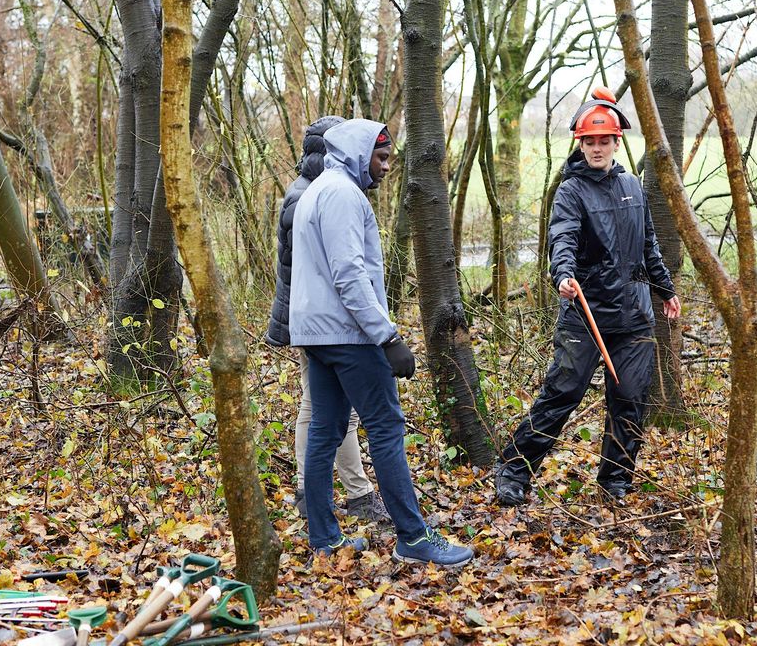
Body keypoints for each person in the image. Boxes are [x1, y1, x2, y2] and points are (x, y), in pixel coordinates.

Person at [290, 118, 474, 565]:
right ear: (358, 152)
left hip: (320, 334)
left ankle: (324, 539)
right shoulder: (341, 195)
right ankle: (412, 537)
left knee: (325, 432)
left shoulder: (318, 188)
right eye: (382, 157)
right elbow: (349, 274)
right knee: (387, 429)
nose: (388, 167)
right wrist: (387, 336)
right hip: (350, 335)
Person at [494, 88, 681, 507]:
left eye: (604, 141)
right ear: (581, 144)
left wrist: (664, 288)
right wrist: (563, 275)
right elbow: (562, 237)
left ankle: (614, 480)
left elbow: (648, 244)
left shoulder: (633, 186)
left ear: (617, 142)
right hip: (585, 313)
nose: (597, 148)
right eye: (589, 142)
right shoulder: (571, 191)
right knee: (562, 394)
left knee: (630, 399)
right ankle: (513, 471)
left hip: (634, 315)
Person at [266, 116, 390, 524]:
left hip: (317, 319)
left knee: (328, 412)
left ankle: (335, 494)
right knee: (323, 411)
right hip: (323, 323)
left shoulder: (312, 191)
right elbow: (332, 271)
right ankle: (339, 493)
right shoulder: (319, 196)